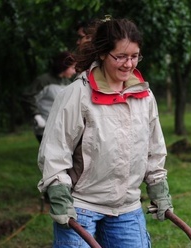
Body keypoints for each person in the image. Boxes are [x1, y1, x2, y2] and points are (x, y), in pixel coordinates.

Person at [37, 17, 173, 247]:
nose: (128, 64)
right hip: (81, 205)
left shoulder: (144, 96)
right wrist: (59, 193)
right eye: (120, 56)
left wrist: (158, 187)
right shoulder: (77, 94)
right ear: (102, 53)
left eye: (134, 56)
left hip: (127, 207)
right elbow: (55, 149)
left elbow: (153, 148)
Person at [22, 51, 76, 143]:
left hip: (63, 129)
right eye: (73, 68)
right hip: (46, 129)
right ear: (64, 66)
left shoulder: (67, 83)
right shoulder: (43, 81)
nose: (75, 71)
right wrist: (36, 115)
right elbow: (28, 97)